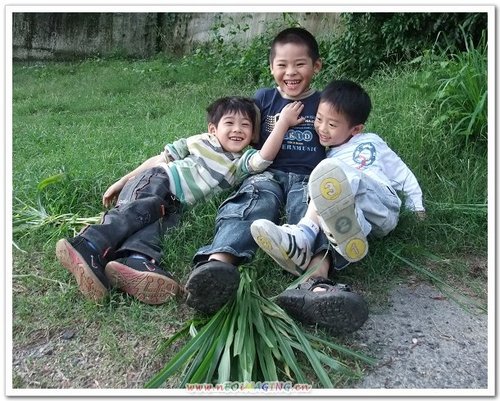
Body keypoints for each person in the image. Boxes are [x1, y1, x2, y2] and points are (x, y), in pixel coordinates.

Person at [185, 27, 368, 335]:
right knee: (250, 204)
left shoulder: (325, 103)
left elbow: (343, 137)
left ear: (316, 66)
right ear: (271, 67)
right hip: (265, 173)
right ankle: (217, 265)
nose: (291, 72)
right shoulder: (263, 99)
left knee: (313, 211)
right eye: (282, 65)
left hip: (309, 175)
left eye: (300, 64)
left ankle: (317, 284)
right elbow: (239, 134)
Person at [55, 96, 305, 305]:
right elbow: (158, 160)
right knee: (143, 208)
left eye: (245, 125)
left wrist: (281, 124)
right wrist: (123, 181)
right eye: (229, 122)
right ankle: (89, 243)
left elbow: (264, 158)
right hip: (159, 180)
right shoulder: (200, 142)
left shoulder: (241, 161)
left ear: (252, 135)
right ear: (212, 129)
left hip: (174, 202)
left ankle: (136, 261)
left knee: (157, 224)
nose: (237, 129)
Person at [251, 79, 425, 330]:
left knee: (330, 175)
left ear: (355, 129)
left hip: (382, 202)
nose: (322, 128)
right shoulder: (327, 153)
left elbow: (402, 173)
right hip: (363, 221)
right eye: (319, 119)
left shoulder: (370, 142)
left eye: (332, 124)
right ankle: (348, 234)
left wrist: (417, 206)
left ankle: (304, 233)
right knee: (327, 185)